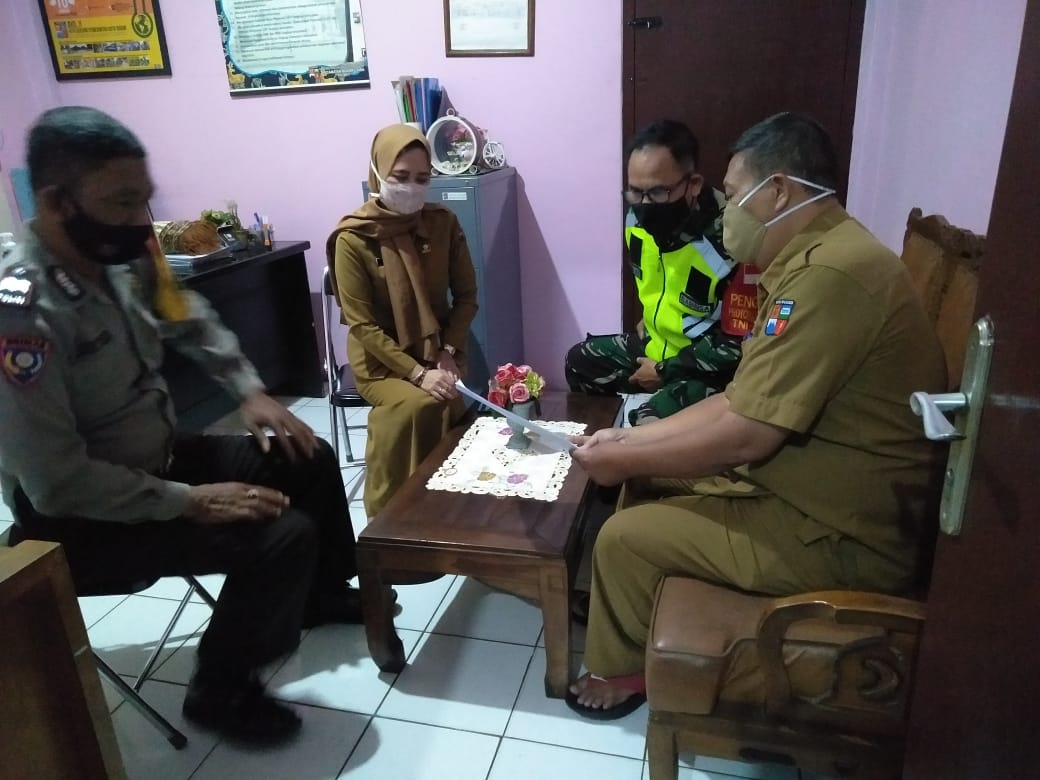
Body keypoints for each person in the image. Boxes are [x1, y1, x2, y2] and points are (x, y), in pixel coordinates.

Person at [0, 106, 364, 746]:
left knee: (305, 452)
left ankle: (321, 596)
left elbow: (184, 313)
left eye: (144, 198)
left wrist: (249, 390)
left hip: (156, 459)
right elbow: (57, 484)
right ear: (56, 203)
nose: (141, 220)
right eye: (122, 202)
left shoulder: (117, 253)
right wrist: (189, 501)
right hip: (82, 517)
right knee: (280, 536)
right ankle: (220, 690)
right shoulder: (21, 312)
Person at [564, 112, 947, 719]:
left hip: (843, 529)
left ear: (780, 191)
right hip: (806, 485)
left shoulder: (829, 275)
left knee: (623, 537)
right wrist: (629, 442)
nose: (728, 213)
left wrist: (625, 456)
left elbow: (748, 432)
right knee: (640, 466)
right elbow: (741, 397)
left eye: (736, 194)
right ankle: (627, 614)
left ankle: (624, 671)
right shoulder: (813, 259)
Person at [326, 124, 478, 519]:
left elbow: (467, 296)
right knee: (421, 404)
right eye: (400, 176)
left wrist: (447, 350)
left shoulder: (442, 223)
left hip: (437, 347)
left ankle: (441, 502)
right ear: (377, 172)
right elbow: (362, 326)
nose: (411, 187)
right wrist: (417, 373)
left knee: (451, 398)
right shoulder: (353, 238)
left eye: (422, 179)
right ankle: (389, 511)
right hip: (380, 362)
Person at [565, 119, 755, 426]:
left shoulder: (732, 239)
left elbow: (738, 345)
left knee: (647, 423)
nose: (644, 205)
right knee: (581, 362)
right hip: (655, 346)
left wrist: (665, 370)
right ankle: (596, 448)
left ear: (693, 184)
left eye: (656, 193)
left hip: (704, 369)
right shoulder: (636, 219)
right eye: (635, 192)